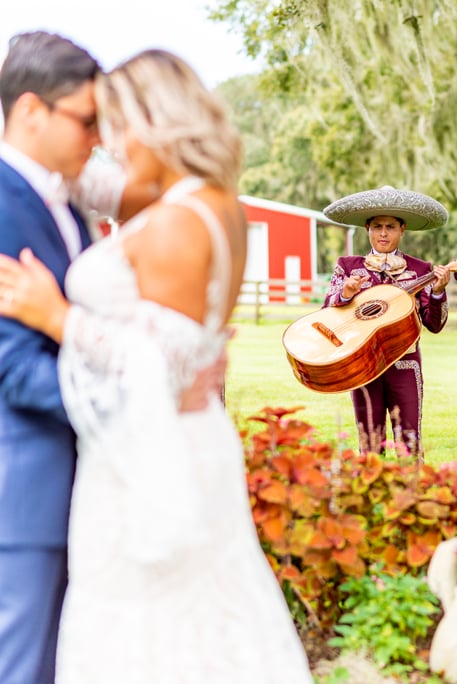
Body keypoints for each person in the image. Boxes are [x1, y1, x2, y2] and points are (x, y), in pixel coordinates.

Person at [0, 48, 312, 682]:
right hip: (186, 442)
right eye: (91, 126)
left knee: (148, 634)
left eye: (110, 126)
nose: (102, 145)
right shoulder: (208, 200)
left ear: (149, 125)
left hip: (152, 449)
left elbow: (163, 363)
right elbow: (77, 180)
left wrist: (58, 318)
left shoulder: (174, 221)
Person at [0, 30, 101, 684]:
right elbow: (12, 367)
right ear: (33, 111)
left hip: (84, 486)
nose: (96, 139)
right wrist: (124, 395)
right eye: (87, 120)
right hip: (25, 483)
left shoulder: (67, 204)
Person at [321, 186, 451, 457]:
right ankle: (372, 498)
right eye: (377, 226)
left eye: (390, 227)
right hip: (362, 364)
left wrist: (438, 291)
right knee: (369, 443)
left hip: (405, 365)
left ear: (402, 229)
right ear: (367, 228)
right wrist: (345, 294)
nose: (383, 233)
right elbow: (327, 310)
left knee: (410, 443)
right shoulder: (348, 265)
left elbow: (435, 324)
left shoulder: (420, 270)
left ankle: (411, 497)